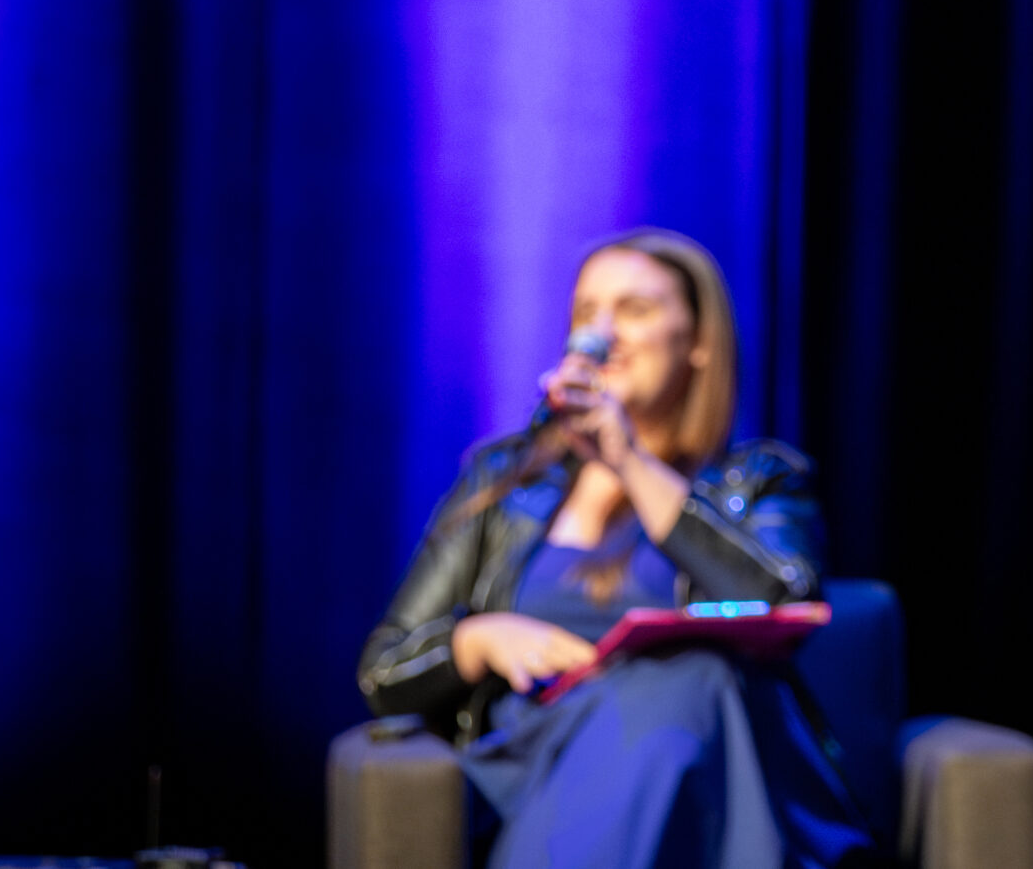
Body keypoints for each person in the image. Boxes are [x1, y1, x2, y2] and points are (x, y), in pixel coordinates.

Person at [358, 229, 874, 869]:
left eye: (634, 309)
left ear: (699, 343)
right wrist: (477, 639)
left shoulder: (761, 478)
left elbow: (784, 601)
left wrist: (629, 459)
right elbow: (384, 671)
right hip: (539, 753)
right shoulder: (506, 482)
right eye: (586, 314)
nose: (601, 336)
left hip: (713, 765)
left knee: (696, 677)